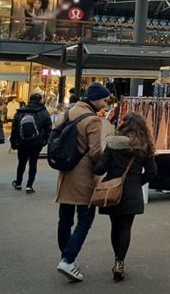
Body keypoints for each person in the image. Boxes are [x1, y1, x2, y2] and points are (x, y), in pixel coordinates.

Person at [54, 82, 109, 282]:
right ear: (94, 99)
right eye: (104, 100)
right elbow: (95, 152)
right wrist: (104, 164)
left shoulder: (67, 113)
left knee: (65, 219)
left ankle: (65, 256)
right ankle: (68, 260)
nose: (105, 104)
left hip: (65, 172)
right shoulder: (93, 120)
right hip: (83, 175)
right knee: (85, 219)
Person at [93, 113, 157, 282]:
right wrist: (137, 182)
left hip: (112, 192)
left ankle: (117, 259)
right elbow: (152, 172)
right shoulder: (144, 146)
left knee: (115, 226)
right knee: (126, 227)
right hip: (132, 192)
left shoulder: (113, 143)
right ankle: (120, 262)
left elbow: (99, 169)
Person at [11, 91, 52, 194]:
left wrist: (14, 141)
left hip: (22, 141)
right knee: (33, 163)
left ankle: (18, 182)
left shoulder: (20, 111)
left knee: (21, 162)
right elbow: (48, 127)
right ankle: (29, 185)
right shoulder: (43, 111)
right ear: (40, 100)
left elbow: (15, 128)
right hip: (37, 142)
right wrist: (45, 140)